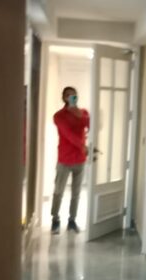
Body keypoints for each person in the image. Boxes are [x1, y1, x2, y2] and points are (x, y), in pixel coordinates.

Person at [50, 87, 89, 234]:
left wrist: (78, 113)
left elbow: (89, 125)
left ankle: (72, 221)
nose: (72, 97)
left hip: (80, 159)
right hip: (64, 159)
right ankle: (55, 219)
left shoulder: (83, 113)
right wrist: (83, 146)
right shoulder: (58, 116)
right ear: (64, 98)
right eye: (68, 95)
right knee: (58, 191)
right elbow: (68, 134)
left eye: (74, 94)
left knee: (76, 193)